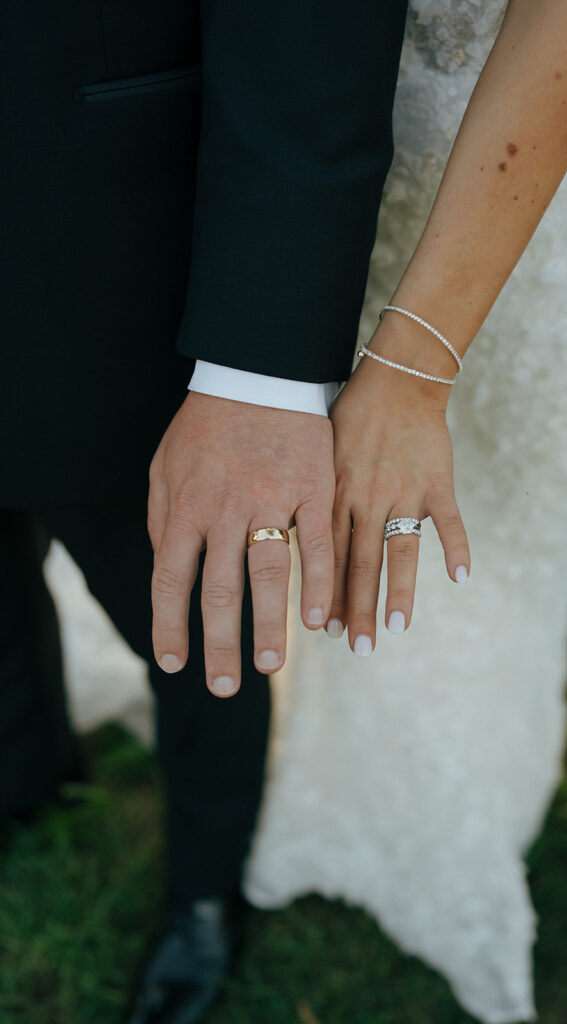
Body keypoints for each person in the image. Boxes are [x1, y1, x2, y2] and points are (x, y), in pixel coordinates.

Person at [239, 1, 567, 1022]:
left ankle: (452, 785)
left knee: (499, 514)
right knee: (328, 467)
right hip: (341, 101)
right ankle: (289, 716)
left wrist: (410, 368)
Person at [0, 3, 410, 1023]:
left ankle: (203, 887)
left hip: (99, 235)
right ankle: (24, 771)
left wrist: (258, 373)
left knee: (192, 615)